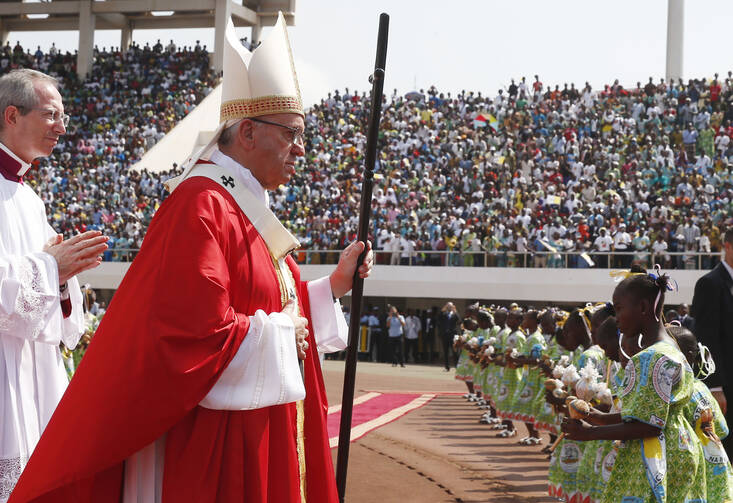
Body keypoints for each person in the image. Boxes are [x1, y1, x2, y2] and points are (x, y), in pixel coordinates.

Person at [9, 16, 373, 503]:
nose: (300, 149)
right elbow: (193, 334)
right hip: (211, 443)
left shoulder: (243, 205)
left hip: (248, 426)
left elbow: (263, 301)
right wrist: (282, 334)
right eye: (290, 133)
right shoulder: (202, 204)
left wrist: (330, 288)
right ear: (246, 132)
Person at [0, 69, 107, 499]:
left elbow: (56, 312)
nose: (63, 128)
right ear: (11, 114)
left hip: (31, 367)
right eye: (51, 115)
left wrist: (61, 279)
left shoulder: (29, 197)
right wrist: (49, 268)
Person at [561, 270, 706, 503]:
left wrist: (589, 433)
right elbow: (644, 415)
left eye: (619, 308)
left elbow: (649, 426)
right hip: (678, 449)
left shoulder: (650, 357)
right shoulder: (670, 348)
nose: (615, 318)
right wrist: (596, 416)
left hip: (657, 456)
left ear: (642, 307)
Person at [692, 227, 733, 458]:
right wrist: (715, 387)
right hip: (725, 385)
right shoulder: (710, 283)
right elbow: (706, 339)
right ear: (726, 247)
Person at [438, 302, 460, 370]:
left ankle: (456, 365)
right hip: (445, 335)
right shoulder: (444, 314)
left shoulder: (454, 314)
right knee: (445, 351)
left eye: (450, 306)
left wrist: (455, 311)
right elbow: (439, 318)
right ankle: (447, 366)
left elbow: (459, 321)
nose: (449, 308)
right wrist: (443, 309)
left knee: (454, 351)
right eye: (448, 306)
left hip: (452, 335)